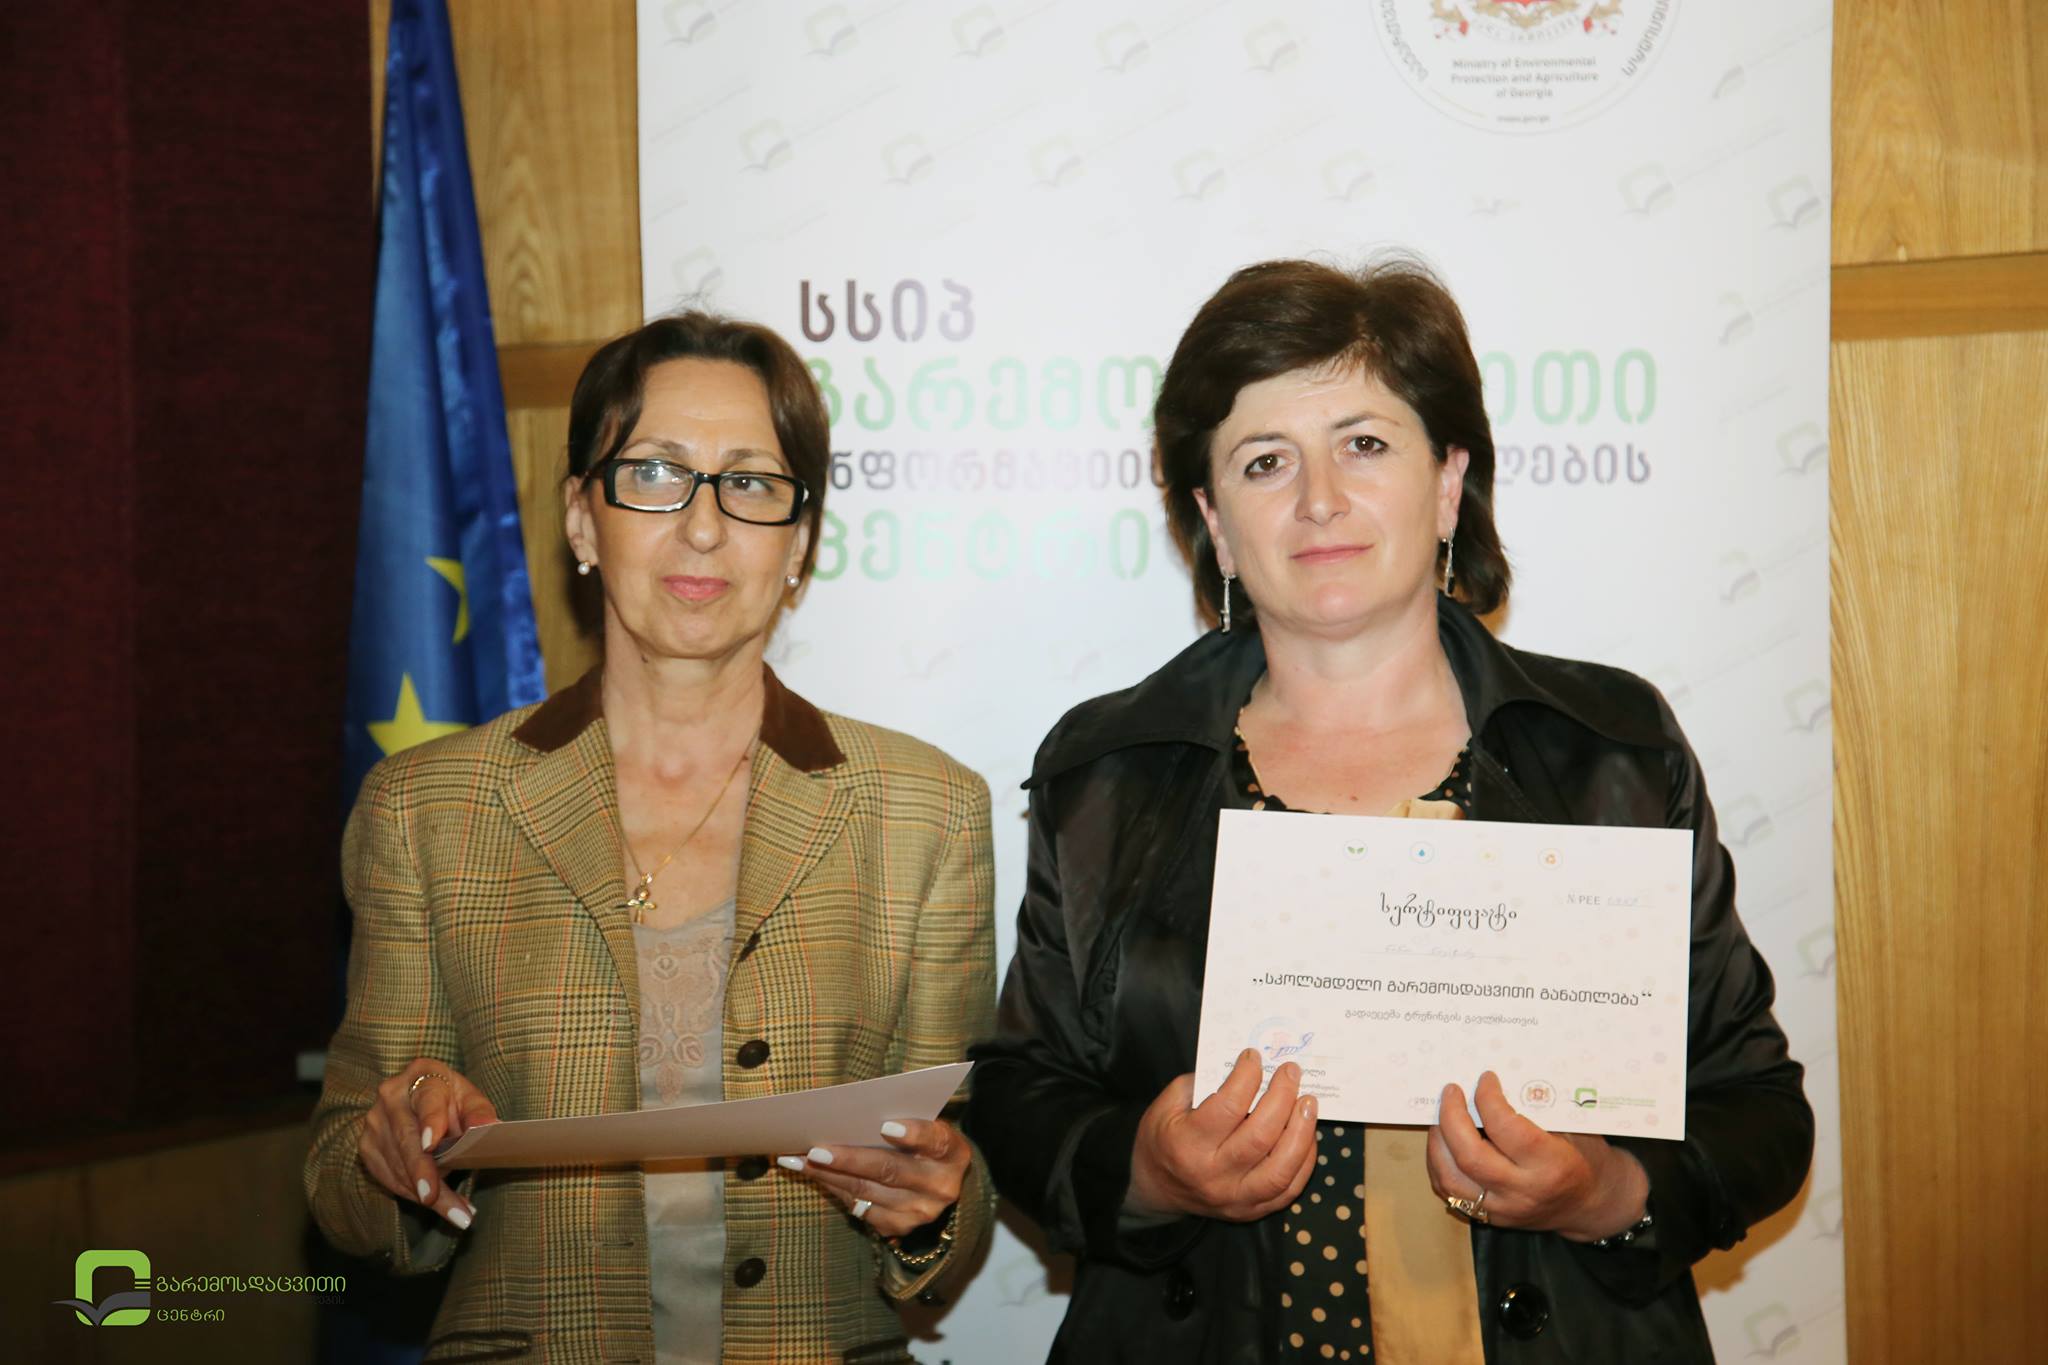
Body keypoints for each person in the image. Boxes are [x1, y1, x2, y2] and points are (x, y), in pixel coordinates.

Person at [966, 259, 1812, 1363]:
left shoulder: (1611, 750)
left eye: (1363, 444)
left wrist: (1605, 1191)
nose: (1318, 498)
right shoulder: (1111, 769)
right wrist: (1148, 1169)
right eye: (1265, 461)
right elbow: (1021, 1096)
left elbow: (1758, 1108)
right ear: (1214, 521)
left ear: (1448, 481)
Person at [307, 312, 997, 1364]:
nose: (704, 526)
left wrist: (937, 1200)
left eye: (750, 483)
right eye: (656, 474)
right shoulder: (426, 808)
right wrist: (396, 1143)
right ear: (582, 520)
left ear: (800, 541)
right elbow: (339, 1186)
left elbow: (963, 1179)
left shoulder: (925, 810)